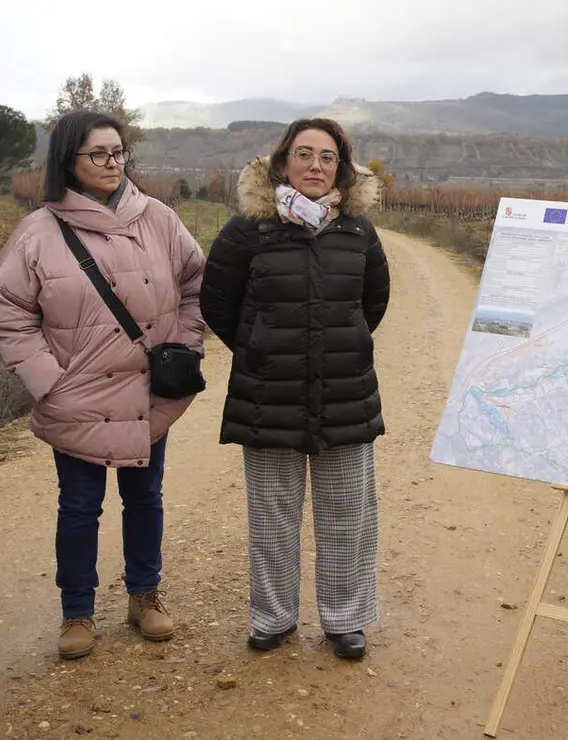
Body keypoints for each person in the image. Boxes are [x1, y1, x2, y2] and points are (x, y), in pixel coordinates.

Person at [0, 110, 206, 660]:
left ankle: (144, 596)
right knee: (80, 506)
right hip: (76, 396)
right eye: (99, 154)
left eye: (119, 152)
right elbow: (8, 309)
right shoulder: (38, 231)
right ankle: (77, 611)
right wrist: (46, 381)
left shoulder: (157, 218)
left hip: (147, 390)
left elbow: (198, 283)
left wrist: (184, 347)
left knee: (146, 496)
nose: (113, 164)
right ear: (69, 160)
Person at [199, 117, 389, 661]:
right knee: (272, 512)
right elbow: (219, 303)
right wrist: (261, 346)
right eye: (304, 155)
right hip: (267, 394)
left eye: (327, 158)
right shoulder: (247, 231)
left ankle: (346, 620)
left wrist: (333, 345)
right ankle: (273, 617)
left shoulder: (358, 232)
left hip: (345, 392)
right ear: (283, 163)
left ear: (341, 170)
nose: (315, 166)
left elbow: (371, 305)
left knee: (348, 512)